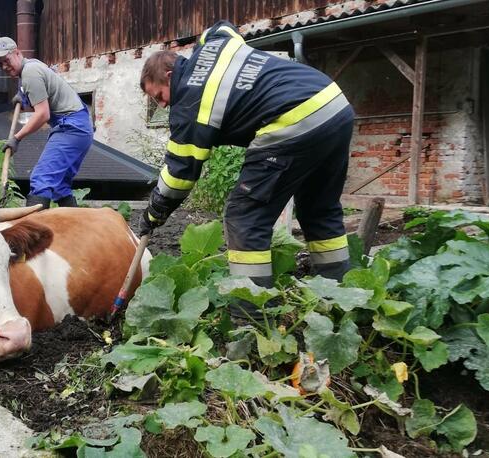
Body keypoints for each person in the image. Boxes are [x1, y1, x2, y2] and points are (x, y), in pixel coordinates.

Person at [138, 21, 355, 321]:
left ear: (170, 75)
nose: (164, 106)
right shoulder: (215, 46)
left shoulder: (188, 103)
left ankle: (250, 319)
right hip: (334, 105)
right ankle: (341, 296)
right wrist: (201, 44)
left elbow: (178, 177)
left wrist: (153, 214)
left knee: (245, 216)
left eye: (159, 96)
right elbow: (223, 27)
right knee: (320, 209)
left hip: (293, 119)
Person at [0, 37, 93, 208]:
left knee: (42, 179)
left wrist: (16, 138)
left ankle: (32, 233)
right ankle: (75, 229)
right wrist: (24, 99)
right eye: (0, 64)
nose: (5, 67)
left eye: (6, 60)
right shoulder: (33, 66)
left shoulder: (30, 73)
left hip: (70, 127)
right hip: (81, 128)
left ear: (17, 53)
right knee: (60, 187)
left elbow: (43, 114)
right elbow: (44, 100)